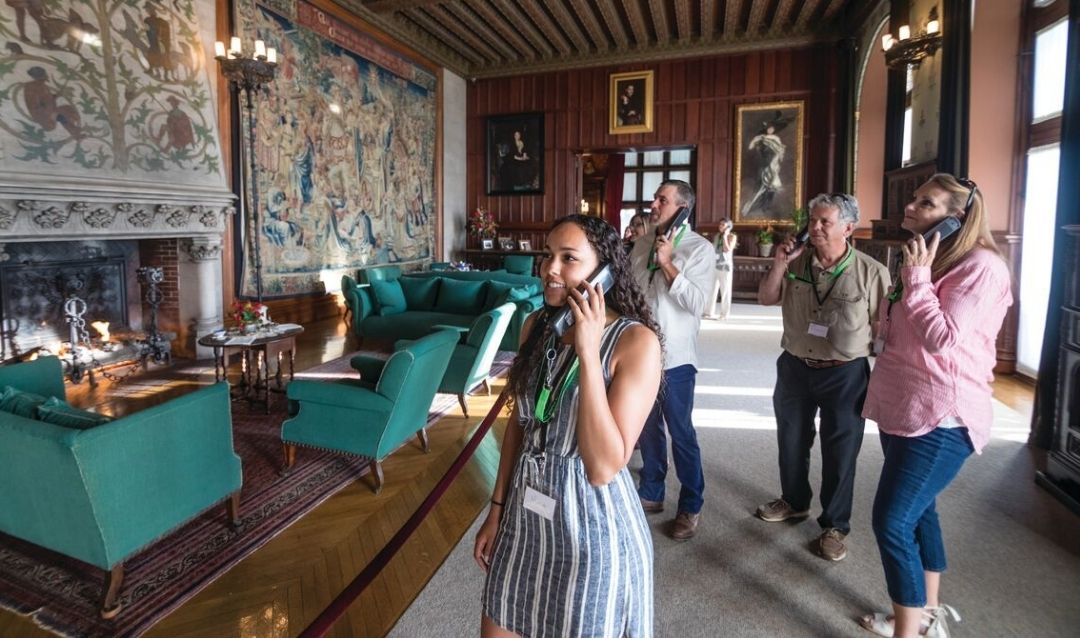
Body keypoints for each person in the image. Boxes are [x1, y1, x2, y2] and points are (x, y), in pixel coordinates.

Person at [475, 214, 663, 637]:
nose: (549, 269)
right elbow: (520, 427)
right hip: (525, 519)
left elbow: (602, 466)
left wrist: (588, 349)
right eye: (547, 256)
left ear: (605, 270)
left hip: (591, 533)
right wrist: (497, 510)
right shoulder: (535, 328)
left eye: (568, 259)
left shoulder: (636, 344)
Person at [857, 175, 1011, 638]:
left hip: (944, 415)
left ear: (954, 219)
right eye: (916, 197)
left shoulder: (982, 267)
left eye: (926, 202)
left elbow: (943, 338)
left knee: (891, 520)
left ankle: (909, 632)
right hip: (905, 405)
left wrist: (918, 279)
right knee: (921, 511)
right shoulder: (932, 256)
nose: (911, 205)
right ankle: (927, 614)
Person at [756, 193, 890, 561]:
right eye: (812, 221)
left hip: (845, 372)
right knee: (791, 439)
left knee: (841, 450)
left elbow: (885, 327)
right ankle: (795, 501)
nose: (813, 227)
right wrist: (779, 264)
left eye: (824, 222)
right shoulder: (796, 264)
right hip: (796, 366)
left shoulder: (871, 271)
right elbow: (766, 298)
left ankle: (835, 524)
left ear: (848, 228)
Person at [630, 179, 716, 540]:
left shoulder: (700, 250)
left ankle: (691, 504)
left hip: (676, 359)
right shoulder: (640, 243)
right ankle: (652, 491)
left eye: (662, 200)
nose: (654, 204)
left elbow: (698, 304)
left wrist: (668, 264)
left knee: (681, 433)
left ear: (683, 207)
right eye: (654, 198)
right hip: (639, 356)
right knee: (647, 428)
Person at [742, 111, 791, 218]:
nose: (770, 130)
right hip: (764, 163)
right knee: (761, 185)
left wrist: (775, 161)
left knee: (771, 186)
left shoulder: (776, 139)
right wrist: (757, 140)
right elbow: (750, 147)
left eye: (772, 128)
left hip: (772, 163)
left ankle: (765, 206)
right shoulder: (761, 138)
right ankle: (757, 206)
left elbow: (780, 152)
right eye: (769, 128)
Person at [707, 217, 738, 319]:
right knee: (712, 289)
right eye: (720, 224)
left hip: (725, 266)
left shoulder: (732, 237)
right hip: (715, 265)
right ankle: (709, 311)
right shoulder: (717, 236)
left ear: (728, 227)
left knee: (725, 290)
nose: (720, 226)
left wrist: (725, 237)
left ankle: (724, 314)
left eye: (723, 225)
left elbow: (727, 250)